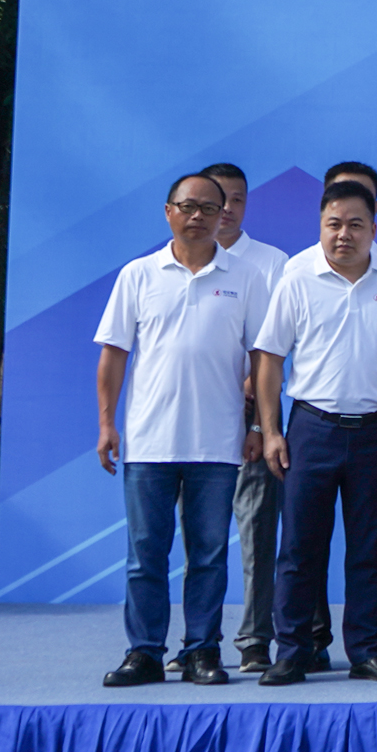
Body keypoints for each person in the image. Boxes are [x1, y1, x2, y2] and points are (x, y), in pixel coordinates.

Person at [94, 173, 275, 686]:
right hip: (149, 442)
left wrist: (259, 424)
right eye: (187, 206)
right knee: (145, 557)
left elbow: (263, 360)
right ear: (168, 211)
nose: (197, 216)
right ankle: (144, 652)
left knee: (209, 556)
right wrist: (107, 423)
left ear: (224, 214)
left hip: (218, 444)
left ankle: (202, 651)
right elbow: (114, 354)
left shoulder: (246, 277)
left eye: (208, 208)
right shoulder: (138, 275)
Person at [251, 179, 377, 682]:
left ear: (374, 229)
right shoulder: (297, 281)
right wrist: (271, 431)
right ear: (320, 226)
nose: (344, 234)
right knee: (300, 547)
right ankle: (293, 650)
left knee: (371, 548)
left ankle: (366, 650)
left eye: (355, 225)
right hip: (312, 429)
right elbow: (269, 359)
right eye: (334, 224)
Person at [199, 163, 289, 675]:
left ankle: (255, 638)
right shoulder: (176, 263)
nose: (227, 209)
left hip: (254, 416)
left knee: (257, 532)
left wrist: (260, 422)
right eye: (219, 200)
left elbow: (273, 348)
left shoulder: (272, 264)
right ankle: (199, 641)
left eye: (236, 199)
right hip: (196, 421)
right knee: (201, 537)